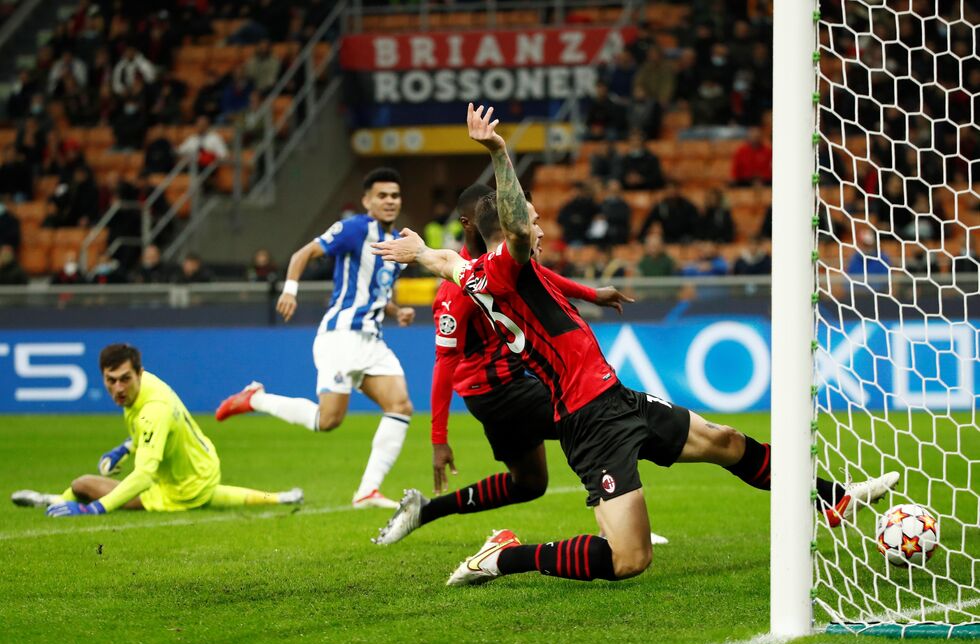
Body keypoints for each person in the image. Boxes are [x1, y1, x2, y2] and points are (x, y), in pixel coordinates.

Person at [373, 104, 899, 586]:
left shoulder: (475, 275)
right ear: (510, 231)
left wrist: (419, 249)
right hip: (587, 421)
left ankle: (832, 500)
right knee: (629, 559)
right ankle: (501, 556)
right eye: (533, 219)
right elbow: (509, 220)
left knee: (726, 440)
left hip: (614, 399)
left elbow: (446, 261)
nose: (538, 225)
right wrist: (499, 152)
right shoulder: (510, 267)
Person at [373, 184, 632, 546]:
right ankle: (617, 524)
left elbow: (542, 278)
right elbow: (444, 363)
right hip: (499, 393)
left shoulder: (501, 261)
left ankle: (424, 510)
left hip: (511, 386)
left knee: (529, 484)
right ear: (469, 223)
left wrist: (591, 294)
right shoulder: (455, 289)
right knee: (589, 423)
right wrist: (438, 440)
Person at [215, 168, 415, 509]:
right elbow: (302, 254)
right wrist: (290, 290)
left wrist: (397, 312)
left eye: (394, 196)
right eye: (382, 195)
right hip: (341, 338)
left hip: (371, 340)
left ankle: (367, 491)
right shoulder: (354, 229)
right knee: (328, 421)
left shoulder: (397, 243)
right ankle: (256, 399)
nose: (389, 201)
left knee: (400, 406)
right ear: (367, 201)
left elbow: (376, 291)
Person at [11, 344, 303, 516]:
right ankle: (280, 497)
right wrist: (124, 448)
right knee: (211, 494)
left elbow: (144, 475)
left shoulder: (154, 410)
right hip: (200, 464)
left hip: (178, 488)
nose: (118, 388)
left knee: (83, 485)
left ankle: (51, 500)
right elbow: (151, 433)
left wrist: (94, 510)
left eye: (125, 379)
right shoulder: (145, 387)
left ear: (139, 372)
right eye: (110, 380)